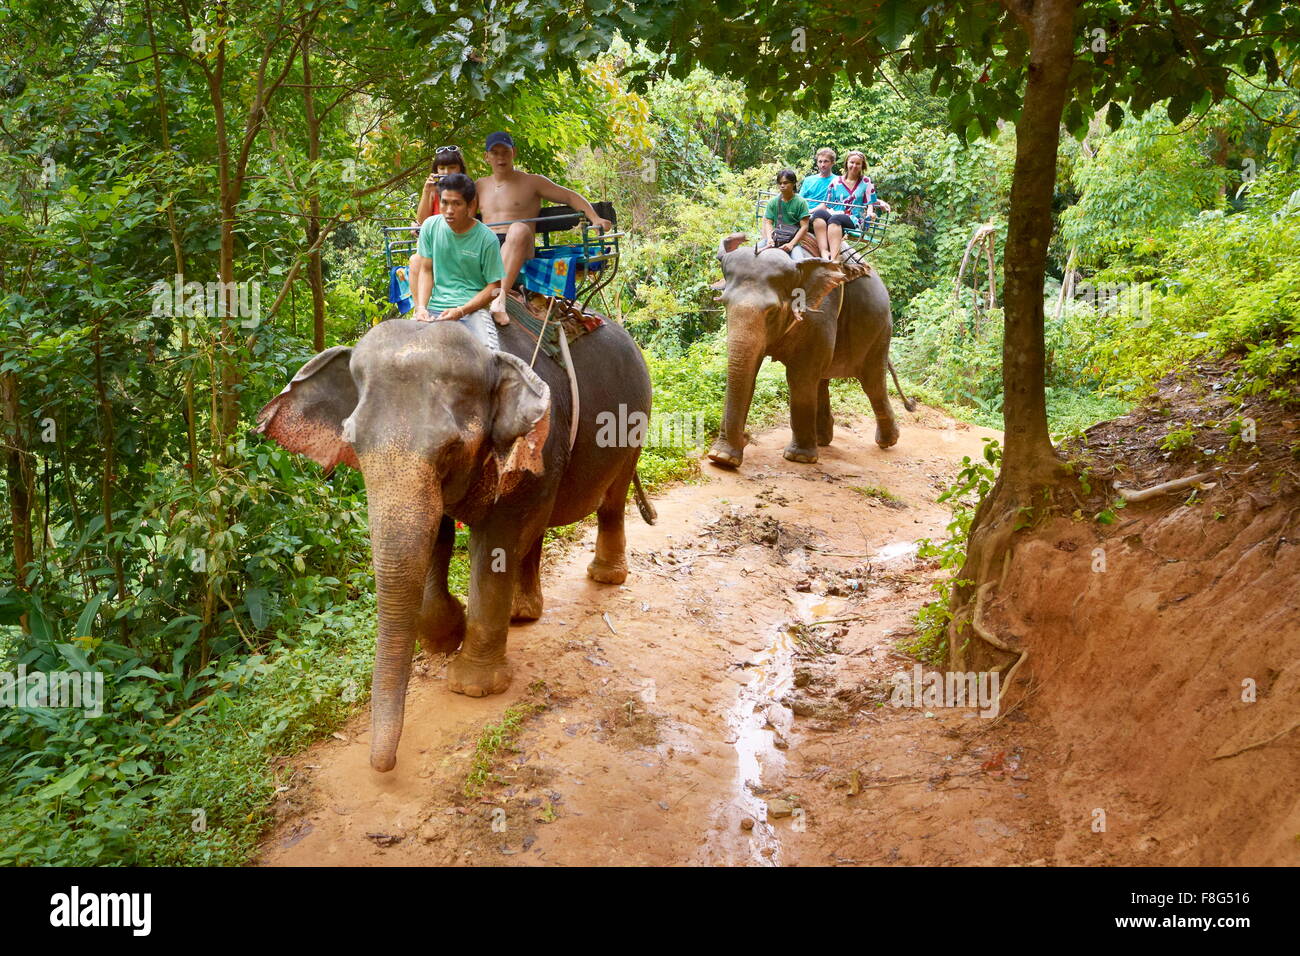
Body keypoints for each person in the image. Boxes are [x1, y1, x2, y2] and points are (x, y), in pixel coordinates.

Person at [475, 131, 612, 323]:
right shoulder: (479, 186)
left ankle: (500, 298)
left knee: (518, 229)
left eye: (505, 151)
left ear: (513, 152)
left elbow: (569, 196)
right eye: (495, 152)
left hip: (520, 244)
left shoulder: (532, 182)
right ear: (486, 156)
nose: (500, 157)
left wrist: (595, 218)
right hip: (488, 248)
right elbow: (458, 213)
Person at [410, 173, 505, 351]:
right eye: (445, 202)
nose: (449, 210)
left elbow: (495, 288)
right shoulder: (430, 226)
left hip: (472, 312)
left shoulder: (487, 239)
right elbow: (426, 270)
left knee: (490, 356)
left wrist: (461, 311)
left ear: (469, 206)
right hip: (435, 310)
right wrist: (421, 308)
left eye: (457, 203)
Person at [407, 146, 468, 284]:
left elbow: (465, 220)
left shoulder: (468, 189)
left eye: (452, 167)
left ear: (460, 169)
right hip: (434, 243)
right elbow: (422, 220)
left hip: (458, 242)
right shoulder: (433, 190)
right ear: (436, 171)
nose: (446, 172)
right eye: (442, 168)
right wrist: (427, 192)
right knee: (414, 260)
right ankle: (420, 306)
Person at [820, 149, 872, 261]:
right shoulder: (836, 182)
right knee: (819, 214)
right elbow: (826, 204)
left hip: (854, 219)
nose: (854, 166)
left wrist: (870, 214)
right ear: (846, 163)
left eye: (858, 163)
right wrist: (809, 212)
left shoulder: (866, 182)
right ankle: (823, 250)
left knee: (835, 219)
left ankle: (834, 259)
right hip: (835, 214)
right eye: (852, 162)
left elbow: (870, 204)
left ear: (862, 166)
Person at [761, 168, 811, 255]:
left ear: (793, 183)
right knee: (753, 252)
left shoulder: (801, 202)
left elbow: (804, 227)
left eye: (785, 183)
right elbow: (768, 222)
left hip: (793, 241)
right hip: (776, 237)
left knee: (798, 261)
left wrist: (791, 244)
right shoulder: (773, 202)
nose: (782, 185)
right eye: (780, 183)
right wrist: (769, 239)